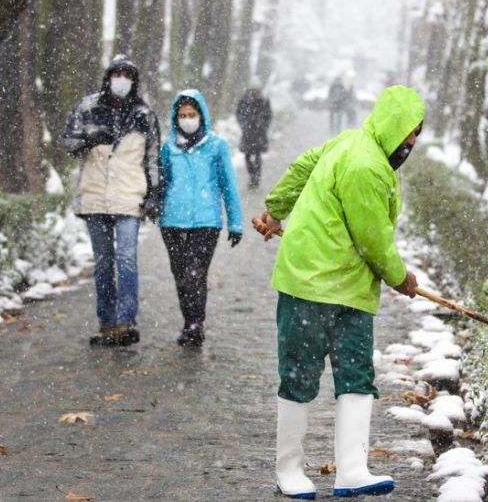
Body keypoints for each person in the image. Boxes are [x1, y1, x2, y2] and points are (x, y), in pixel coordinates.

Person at [253, 85, 424, 499]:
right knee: (299, 375)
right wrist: (401, 276)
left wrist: (276, 210)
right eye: (410, 132)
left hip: (351, 288)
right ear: (392, 125)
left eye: (418, 133)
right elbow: (372, 238)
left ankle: (352, 468)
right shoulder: (366, 164)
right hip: (310, 284)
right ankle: (289, 470)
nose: (413, 141)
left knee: (357, 376)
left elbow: (303, 167)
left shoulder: (352, 143)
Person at [60, 55, 161, 347]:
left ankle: (126, 320)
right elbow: (68, 143)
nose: (121, 80)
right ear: (108, 77)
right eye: (117, 74)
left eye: (127, 75)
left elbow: (152, 156)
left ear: (134, 80)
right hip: (94, 196)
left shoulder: (144, 114)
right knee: (103, 263)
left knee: (127, 259)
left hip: (129, 196)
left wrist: (154, 193)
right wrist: (88, 139)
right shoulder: (87, 107)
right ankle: (106, 322)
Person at [159, 89, 244, 347]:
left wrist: (235, 222)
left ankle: (195, 322)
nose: (187, 119)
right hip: (172, 221)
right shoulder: (168, 147)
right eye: (182, 115)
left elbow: (228, 184)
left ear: (201, 115)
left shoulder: (216, 146)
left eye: (191, 114)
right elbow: (162, 181)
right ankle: (189, 320)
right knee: (180, 274)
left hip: (206, 221)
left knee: (196, 273)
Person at [235, 87, 273, 189]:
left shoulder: (263, 101)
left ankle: (256, 177)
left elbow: (268, 115)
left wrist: (262, 126)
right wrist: (245, 125)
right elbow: (239, 114)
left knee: (257, 155)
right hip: (248, 133)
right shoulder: (244, 101)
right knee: (247, 156)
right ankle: (252, 175)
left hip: (259, 134)